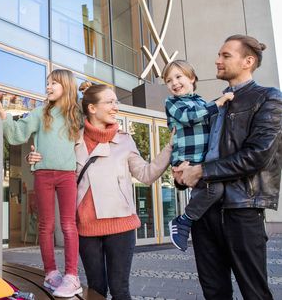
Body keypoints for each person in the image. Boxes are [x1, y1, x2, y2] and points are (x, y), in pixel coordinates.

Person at [29, 84, 174, 300]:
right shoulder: (71, 138)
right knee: (95, 289)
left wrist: (171, 146)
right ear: (92, 108)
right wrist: (33, 158)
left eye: (116, 101)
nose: (116, 107)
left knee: (120, 290)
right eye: (110, 102)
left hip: (121, 226)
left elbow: (145, 174)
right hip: (86, 230)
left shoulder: (124, 140)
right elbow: (53, 163)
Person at [175, 34, 282, 299]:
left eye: (225, 55)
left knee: (254, 292)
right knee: (214, 292)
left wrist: (202, 171)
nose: (217, 60)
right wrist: (183, 174)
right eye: (219, 55)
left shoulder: (268, 98)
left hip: (242, 209)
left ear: (248, 61)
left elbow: (258, 155)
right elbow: (201, 150)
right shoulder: (217, 104)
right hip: (205, 211)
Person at [0, 69, 83, 298]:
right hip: (43, 174)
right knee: (46, 225)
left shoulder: (76, 114)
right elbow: (17, 135)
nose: (48, 87)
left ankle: (72, 276)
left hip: (67, 176)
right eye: (47, 83)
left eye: (54, 83)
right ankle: (51, 273)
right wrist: (3, 113)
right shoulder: (39, 113)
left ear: (67, 85)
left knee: (68, 224)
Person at [162, 60, 234, 251]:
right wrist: (218, 102)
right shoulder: (172, 103)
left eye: (179, 77)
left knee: (215, 192)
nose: (174, 83)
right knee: (215, 189)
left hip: (203, 161)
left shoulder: (202, 102)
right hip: (185, 159)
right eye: (169, 80)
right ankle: (183, 221)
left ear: (192, 78)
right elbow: (189, 117)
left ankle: (190, 223)